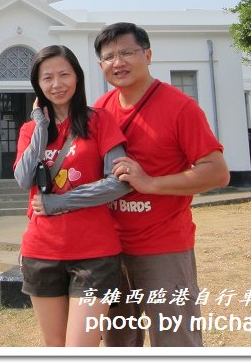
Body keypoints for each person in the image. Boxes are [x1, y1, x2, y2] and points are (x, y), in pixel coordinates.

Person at [37, 23, 231, 347]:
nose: (118, 62)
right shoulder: (99, 111)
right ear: (100, 66)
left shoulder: (180, 108)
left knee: (175, 341)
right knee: (118, 342)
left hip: (162, 249)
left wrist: (150, 183)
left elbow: (218, 172)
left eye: (127, 52)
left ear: (148, 55)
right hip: (106, 251)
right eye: (109, 56)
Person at [13, 45, 130, 347]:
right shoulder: (30, 129)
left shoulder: (100, 121)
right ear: (37, 86)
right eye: (47, 77)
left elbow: (119, 183)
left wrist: (58, 203)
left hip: (94, 253)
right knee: (55, 347)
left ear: (77, 77)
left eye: (64, 74)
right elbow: (24, 178)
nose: (56, 84)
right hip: (42, 252)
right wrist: (41, 124)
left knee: (80, 347)